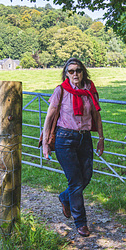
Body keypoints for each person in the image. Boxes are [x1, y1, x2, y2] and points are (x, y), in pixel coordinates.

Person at [41, 57, 104, 237]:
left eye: (78, 70)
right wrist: (46, 143)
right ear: (66, 74)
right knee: (75, 182)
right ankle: (81, 222)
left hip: (85, 139)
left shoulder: (90, 90)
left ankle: (64, 197)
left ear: (83, 71)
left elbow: (96, 115)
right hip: (64, 139)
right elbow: (49, 117)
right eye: (71, 71)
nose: (75, 74)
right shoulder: (60, 91)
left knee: (86, 177)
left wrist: (101, 137)